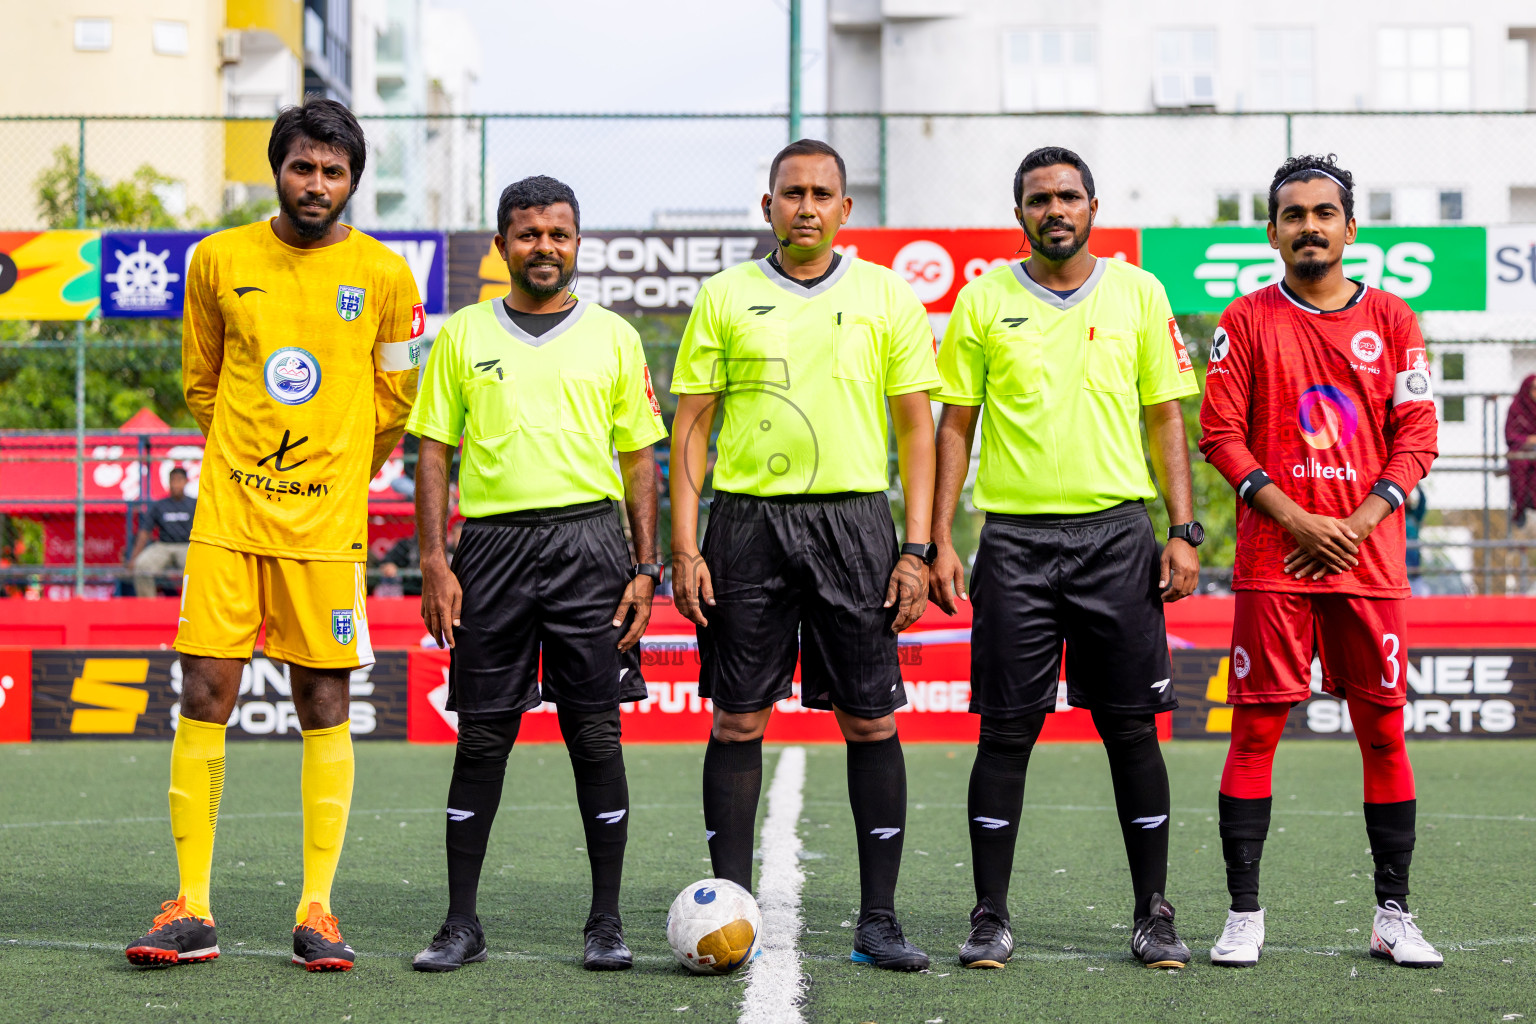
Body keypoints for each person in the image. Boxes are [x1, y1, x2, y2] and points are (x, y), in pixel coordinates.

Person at [126, 99, 424, 972]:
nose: (316, 184)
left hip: (327, 531)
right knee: (205, 689)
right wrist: (257, 461)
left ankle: (318, 909)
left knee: (323, 704)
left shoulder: (386, 276)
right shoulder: (219, 259)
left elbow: (394, 400)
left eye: (333, 172)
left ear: (353, 181)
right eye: (303, 167)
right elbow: (202, 382)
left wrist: (333, 470)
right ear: (278, 169)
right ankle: (192, 907)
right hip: (228, 519)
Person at [670, 139, 939, 971]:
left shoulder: (887, 295)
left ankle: (879, 919)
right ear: (769, 207)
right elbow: (691, 426)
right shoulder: (724, 296)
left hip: (856, 524)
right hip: (746, 526)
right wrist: (685, 546)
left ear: (846, 210)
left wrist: (918, 548)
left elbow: (916, 431)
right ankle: (726, 909)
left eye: (823, 193)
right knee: (738, 717)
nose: (807, 206)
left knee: (870, 719)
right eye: (792, 193)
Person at [930, 146, 1201, 971]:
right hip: (1012, 543)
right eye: (1040, 198)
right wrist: (939, 538)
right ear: (1019, 213)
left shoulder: (1139, 292)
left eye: (1069, 196)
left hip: (1116, 538)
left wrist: (1184, 530)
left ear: (1093, 206)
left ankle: (1153, 913)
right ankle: (990, 917)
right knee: (1005, 733)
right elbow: (954, 428)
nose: (1056, 208)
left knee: (1131, 732)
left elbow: (1165, 420)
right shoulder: (980, 301)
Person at [408, 176, 666, 973]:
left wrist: (645, 565)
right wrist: (433, 560)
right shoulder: (462, 336)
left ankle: (606, 923)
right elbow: (432, 451)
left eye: (558, 233)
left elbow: (639, 459)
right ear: (501, 246)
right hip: (490, 551)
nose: (543, 247)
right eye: (527, 234)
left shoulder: (615, 337)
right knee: (483, 736)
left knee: (595, 734)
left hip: (591, 547)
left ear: (578, 242)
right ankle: (460, 923)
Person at [1198, 154, 1441, 969]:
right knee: (1256, 730)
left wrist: (1363, 517)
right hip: (1276, 560)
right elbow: (1220, 434)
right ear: (1272, 232)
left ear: (1350, 227)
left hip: (1367, 562)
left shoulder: (1397, 323)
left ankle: (1393, 916)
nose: (1310, 226)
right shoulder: (1246, 320)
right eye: (1294, 214)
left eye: (1323, 212)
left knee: (1382, 733)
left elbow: (1418, 436)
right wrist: (1298, 519)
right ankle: (1243, 915)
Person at [128, 467, 196, 596]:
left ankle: (195, 606)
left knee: (199, 569)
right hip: (164, 545)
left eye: (179, 480)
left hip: (187, 546)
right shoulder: (160, 505)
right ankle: (148, 605)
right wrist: (134, 558)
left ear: (186, 482)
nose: (175, 484)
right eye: (173, 480)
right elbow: (144, 532)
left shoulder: (194, 504)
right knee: (142, 566)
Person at [1508, 374, 1536, 528]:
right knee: (1520, 463)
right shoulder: (1517, 407)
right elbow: (1510, 435)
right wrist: (1529, 440)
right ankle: (1520, 508)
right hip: (1521, 451)